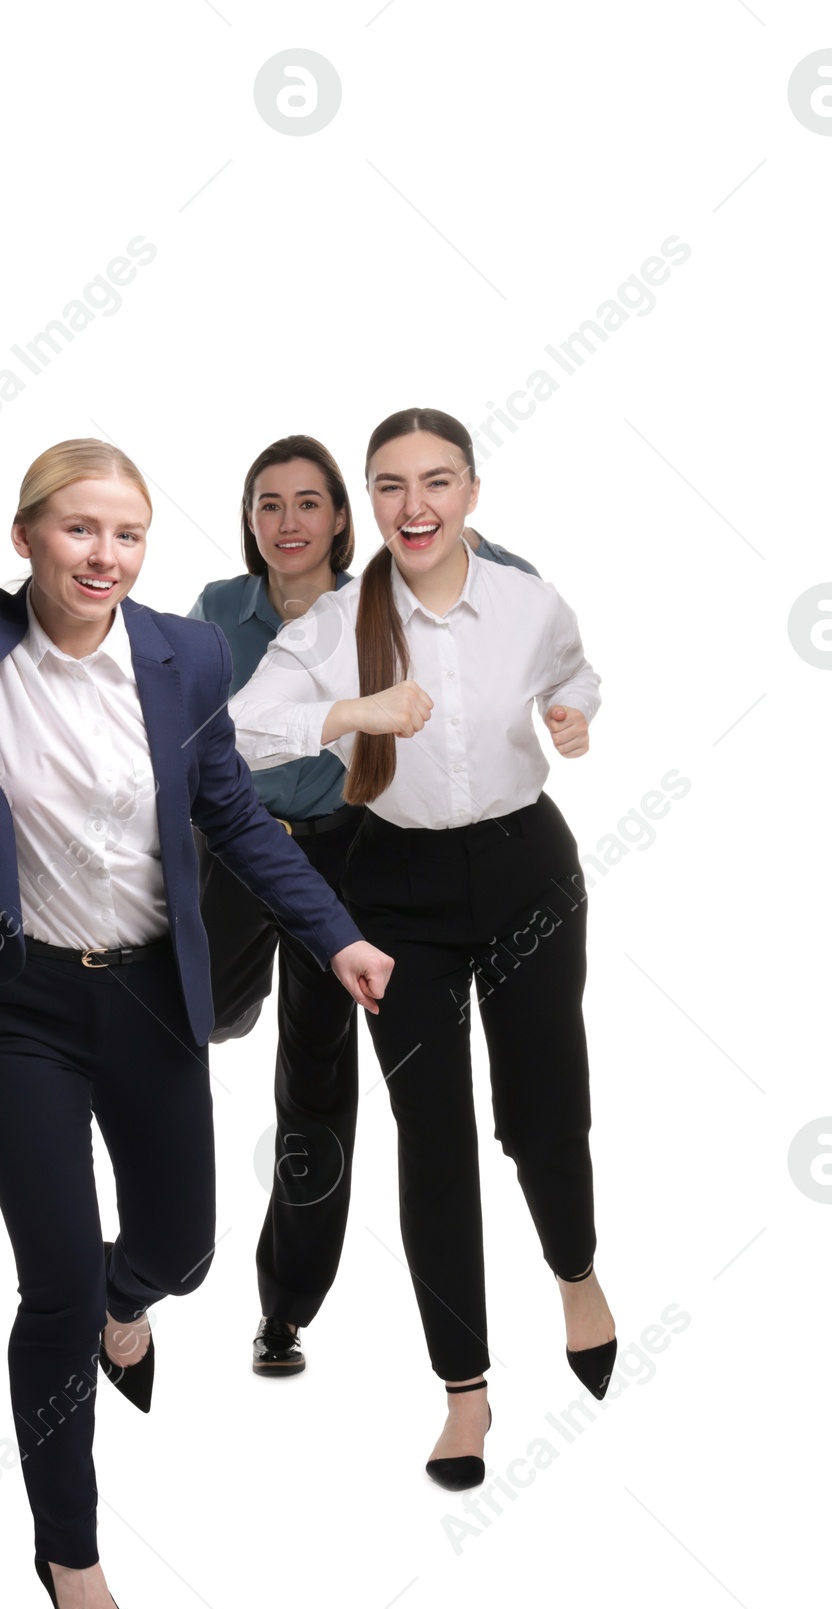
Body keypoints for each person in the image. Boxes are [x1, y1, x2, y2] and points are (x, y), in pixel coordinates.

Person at [0, 269, 394, 1609]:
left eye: (129, 533)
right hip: (18, 999)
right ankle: (69, 1549)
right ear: (29, 538)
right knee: (47, 1285)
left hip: (152, 992)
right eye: (80, 529)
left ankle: (127, 1302)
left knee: (180, 1252)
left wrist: (334, 933)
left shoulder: (184, 656)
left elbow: (229, 815)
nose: (105, 553)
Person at [230, 407, 616, 1491]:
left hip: (527, 873)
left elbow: (575, 671)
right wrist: (353, 709)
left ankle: (576, 1273)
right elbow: (240, 729)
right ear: (371, 503)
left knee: (543, 1106)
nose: (415, 506)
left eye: (436, 482)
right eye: (391, 485)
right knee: (430, 1136)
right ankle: (465, 1391)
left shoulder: (525, 601)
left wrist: (573, 714)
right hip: (394, 890)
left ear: (470, 495)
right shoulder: (338, 618)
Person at [190, 440, 537, 1378]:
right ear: (250, 518)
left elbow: (501, 582)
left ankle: (283, 1307)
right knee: (197, 1019)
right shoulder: (222, 609)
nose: (289, 522)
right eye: (270, 504)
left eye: (310, 502)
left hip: (342, 861)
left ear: (344, 518)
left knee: (315, 1088)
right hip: (233, 850)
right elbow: (186, 724)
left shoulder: (379, 598)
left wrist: (446, 516)